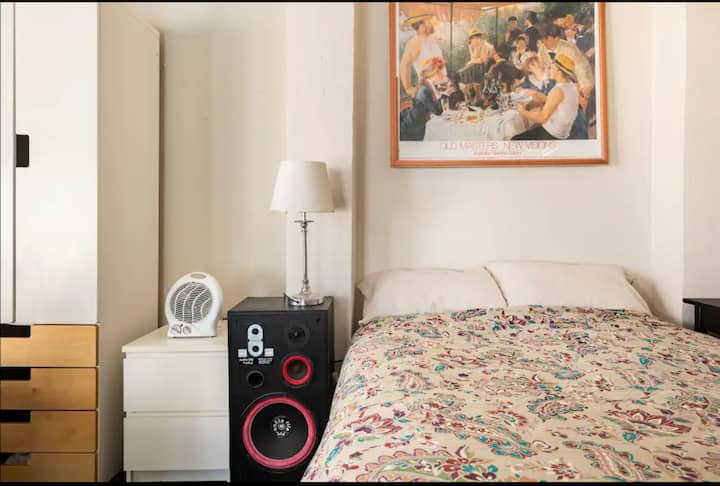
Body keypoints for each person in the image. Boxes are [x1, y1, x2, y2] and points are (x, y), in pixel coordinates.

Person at [512, 54, 579, 140]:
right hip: (562, 132)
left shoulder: (558, 90)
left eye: (551, 68)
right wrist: (535, 93)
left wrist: (522, 111)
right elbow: (554, 101)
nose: (549, 70)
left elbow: (542, 118)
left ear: (559, 73)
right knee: (530, 129)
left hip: (552, 134)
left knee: (514, 139)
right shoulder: (570, 85)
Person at [538, 22, 593, 113]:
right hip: (553, 84)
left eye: (547, 38)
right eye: (543, 38)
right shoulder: (542, 49)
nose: (544, 41)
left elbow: (582, 68)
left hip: (572, 83)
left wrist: (584, 87)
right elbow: (541, 68)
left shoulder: (570, 48)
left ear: (557, 38)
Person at [399, 12, 445, 98]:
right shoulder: (414, 42)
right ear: (422, 26)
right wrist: (408, 88)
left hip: (440, 89)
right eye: (429, 22)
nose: (432, 24)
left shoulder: (431, 39)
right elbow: (404, 64)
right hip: (428, 91)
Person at [399, 56, 445, 141]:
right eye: (439, 71)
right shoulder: (424, 90)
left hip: (415, 126)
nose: (441, 75)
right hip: (411, 131)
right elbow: (439, 111)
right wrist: (436, 93)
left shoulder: (425, 87)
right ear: (431, 73)